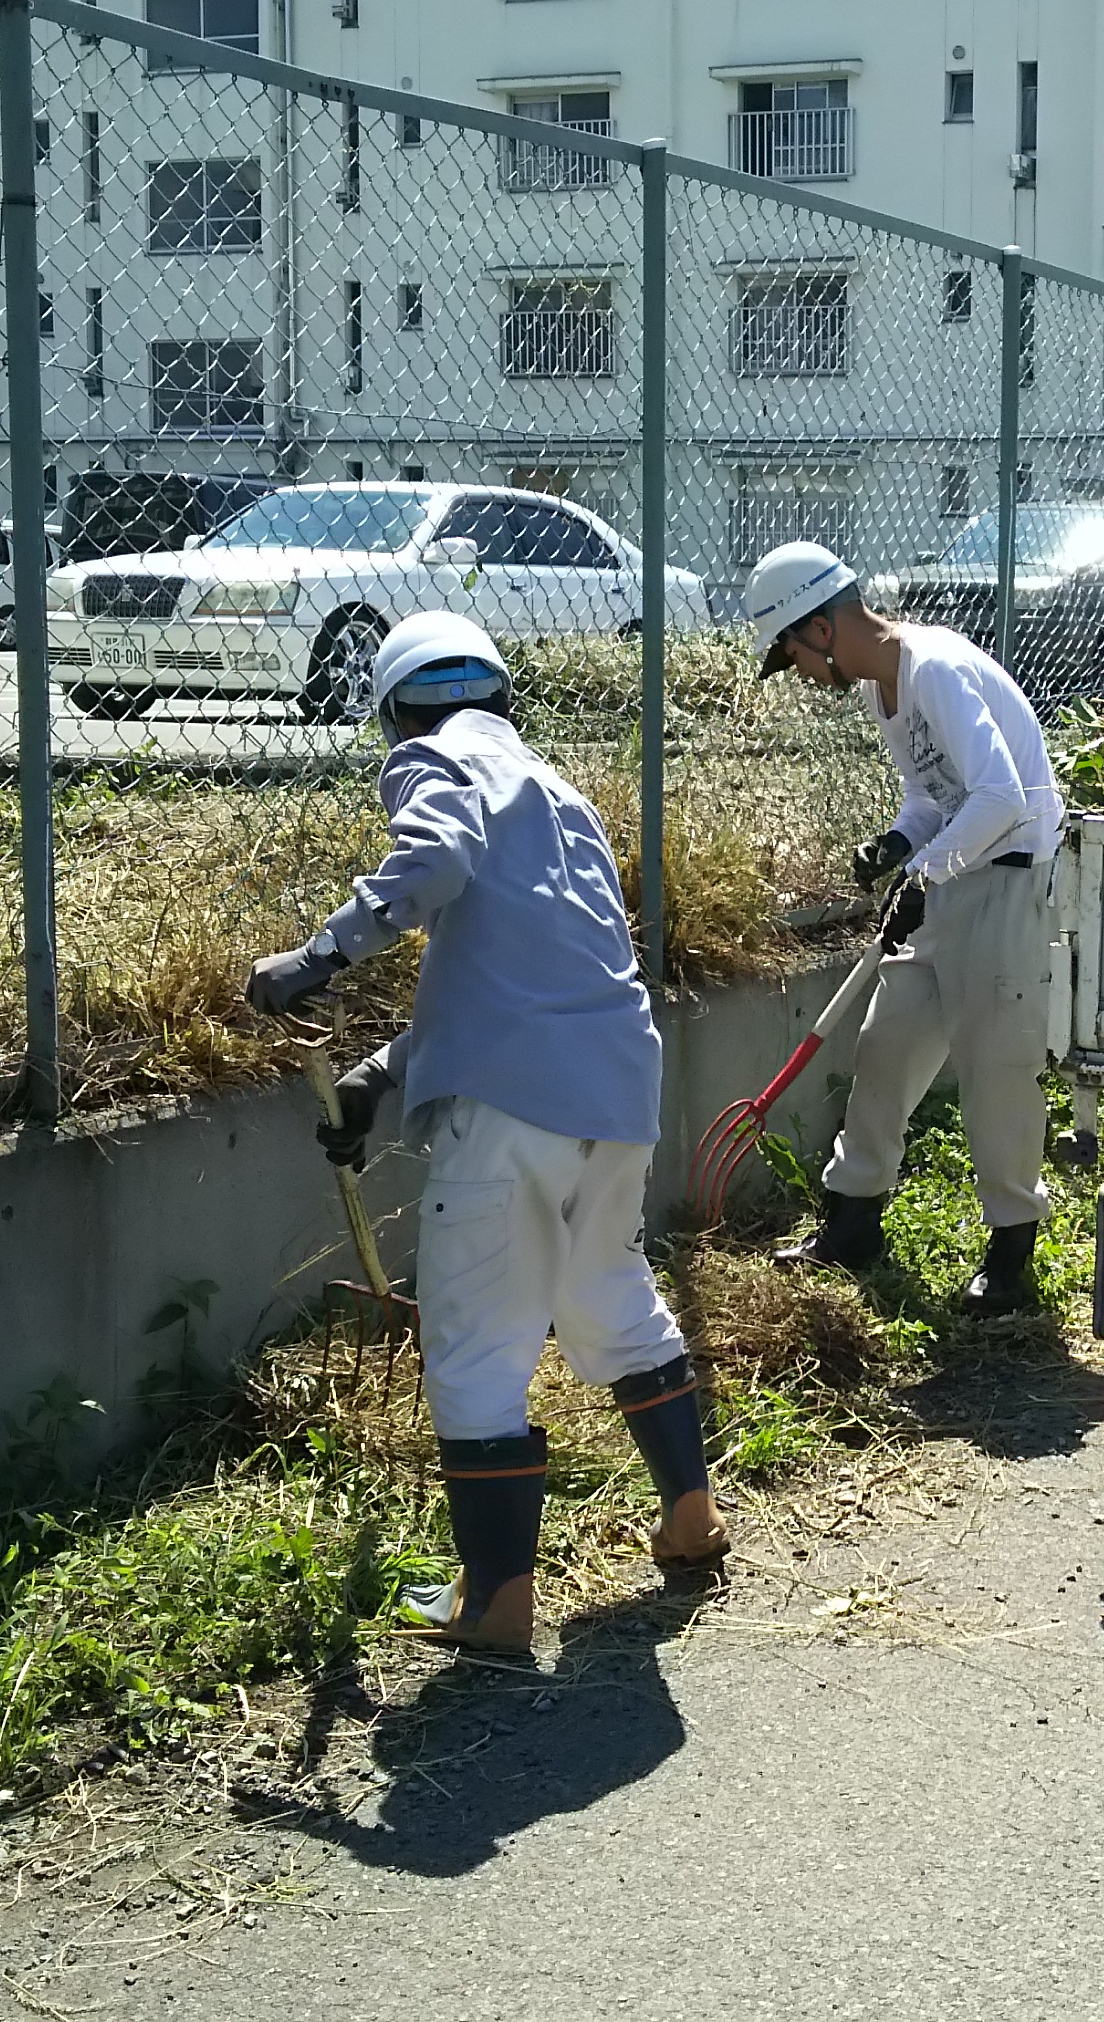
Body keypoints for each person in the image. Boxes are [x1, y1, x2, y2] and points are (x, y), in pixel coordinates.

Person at [243, 609, 726, 1654]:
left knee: (474, 1342)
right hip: (615, 1090)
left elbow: (434, 863)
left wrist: (319, 955)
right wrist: (378, 1079)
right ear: (505, 699)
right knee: (607, 1293)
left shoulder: (431, 762)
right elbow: (505, 977)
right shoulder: (558, 795)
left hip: (514, 1114)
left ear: (393, 719)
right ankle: (691, 1516)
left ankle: (497, 1602)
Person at [740, 541, 1063, 1315]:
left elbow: (1004, 797)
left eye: (792, 653)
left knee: (995, 1071)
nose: (804, 676)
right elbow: (935, 797)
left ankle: (1011, 1254)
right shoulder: (884, 691)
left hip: (1008, 880)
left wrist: (926, 872)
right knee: (886, 1050)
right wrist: (897, 841)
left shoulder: (934, 668)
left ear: (821, 628)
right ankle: (852, 1225)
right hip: (953, 878)